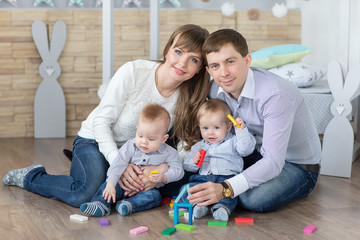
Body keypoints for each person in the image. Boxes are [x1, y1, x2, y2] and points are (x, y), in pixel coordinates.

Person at [2, 24, 210, 207]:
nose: (182, 63)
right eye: (178, 52)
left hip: (139, 153)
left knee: (135, 189)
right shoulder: (134, 71)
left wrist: (159, 170)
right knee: (83, 194)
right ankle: (31, 177)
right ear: (167, 50)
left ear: (200, 68)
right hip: (95, 140)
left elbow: (185, 144)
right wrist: (120, 164)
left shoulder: (189, 97)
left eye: (193, 59)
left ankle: (95, 171)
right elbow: (102, 122)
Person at [186, 29, 322, 213]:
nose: (224, 73)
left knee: (253, 199)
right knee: (196, 176)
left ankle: (300, 184)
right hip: (250, 153)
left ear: (247, 61)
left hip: (295, 165)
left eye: (230, 62)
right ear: (209, 70)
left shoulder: (275, 95)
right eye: (215, 66)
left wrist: (225, 188)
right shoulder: (214, 91)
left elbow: (274, 161)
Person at [80, 104, 184, 217]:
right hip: (124, 184)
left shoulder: (170, 153)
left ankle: (128, 205)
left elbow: (179, 171)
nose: (144, 142)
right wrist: (110, 184)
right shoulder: (131, 145)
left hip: (145, 190)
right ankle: (100, 204)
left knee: (154, 197)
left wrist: (164, 177)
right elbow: (118, 163)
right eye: (140, 135)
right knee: (108, 185)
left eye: (151, 139)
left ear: (163, 139)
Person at [179, 99, 255, 221]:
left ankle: (222, 208)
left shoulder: (234, 141)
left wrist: (241, 131)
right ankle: (198, 206)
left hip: (227, 179)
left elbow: (246, 150)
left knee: (230, 195)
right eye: (205, 128)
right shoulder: (199, 146)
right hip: (202, 178)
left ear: (228, 126)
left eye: (216, 127)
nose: (210, 133)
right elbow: (187, 166)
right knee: (186, 189)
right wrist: (194, 161)